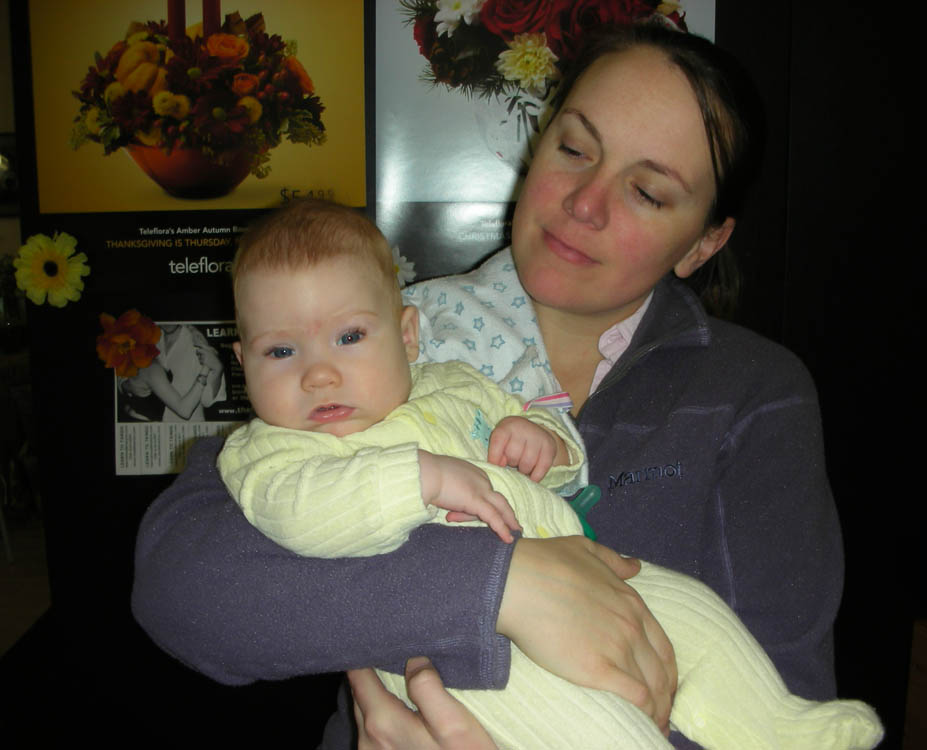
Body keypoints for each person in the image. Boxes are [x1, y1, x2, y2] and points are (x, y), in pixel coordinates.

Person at [132, 24, 846, 750]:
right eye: (574, 149)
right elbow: (180, 580)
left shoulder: (752, 393)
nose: (586, 204)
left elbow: (781, 683)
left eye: (647, 191)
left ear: (704, 243)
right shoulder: (371, 336)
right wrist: (501, 586)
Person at [215, 198, 881, 750]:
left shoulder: (454, 384)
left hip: (579, 569)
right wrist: (419, 478)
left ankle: (775, 726)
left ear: (408, 335)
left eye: (350, 337)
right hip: (456, 656)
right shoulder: (272, 451)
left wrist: (541, 442)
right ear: (243, 361)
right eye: (280, 350)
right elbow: (292, 508)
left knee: (697, 614)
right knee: (602, 731)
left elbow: (549, 440)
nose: (319, 372)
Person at [157, 323, 226, 422]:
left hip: (189, 427)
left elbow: (207, 400)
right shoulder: (149, 338)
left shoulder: (196, 340)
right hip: (154, 428)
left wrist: (217, 369)